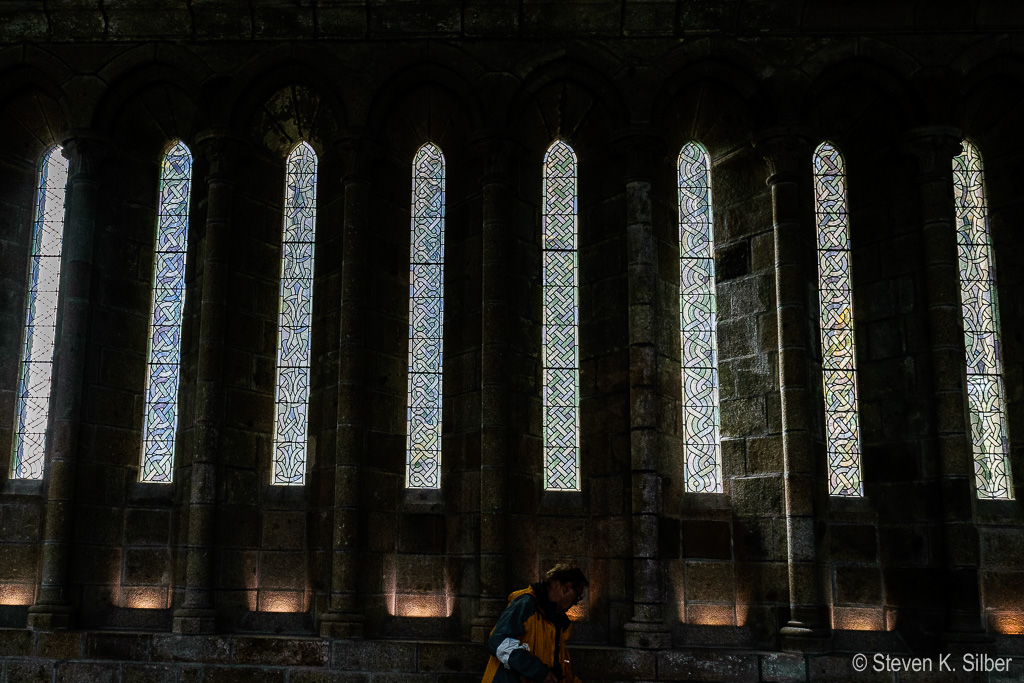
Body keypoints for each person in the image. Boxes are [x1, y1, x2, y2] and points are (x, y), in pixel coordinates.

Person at [481, 564, 589, 683]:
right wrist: (537, 671)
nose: (575, 604)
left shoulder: (556, 621)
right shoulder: (526, 604)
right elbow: (497, 640)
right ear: (566, 588)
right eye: (577, 597)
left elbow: (561, 667)